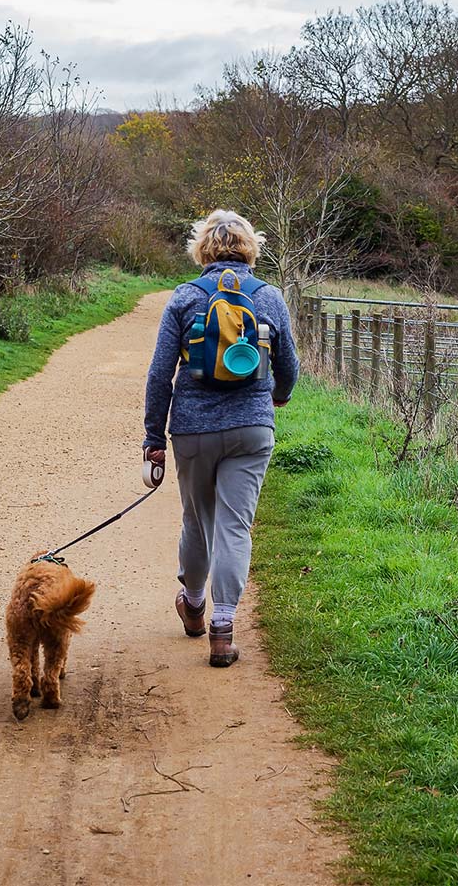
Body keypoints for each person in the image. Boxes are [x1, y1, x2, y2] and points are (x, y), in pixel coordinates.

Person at [143, 209, 299, 667]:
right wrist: (279, 396)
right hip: (252, 427)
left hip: (192, 428)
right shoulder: (269, 297)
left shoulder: (184, 297)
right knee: (235, 525)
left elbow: (159, 375)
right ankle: (223, 629)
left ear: (202, 248)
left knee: (196, 520)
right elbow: (288, 366)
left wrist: (154, 436)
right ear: (251, 247)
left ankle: (193, 606)